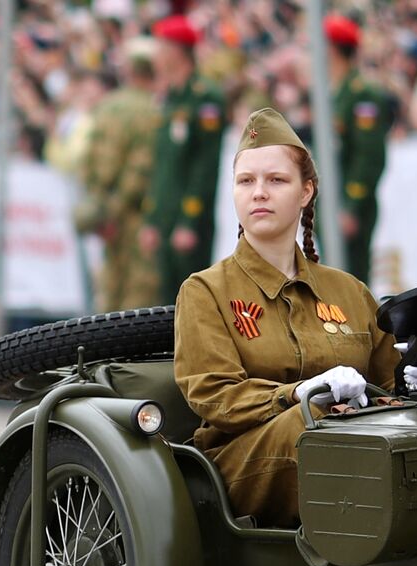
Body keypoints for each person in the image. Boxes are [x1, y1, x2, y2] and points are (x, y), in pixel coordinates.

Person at [173, 108, 398, 528]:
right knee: (313, 424)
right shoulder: (206, 290)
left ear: (306, 191)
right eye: (246, 181)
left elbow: (390, 387)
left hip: (350, 443)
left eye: (276, 180)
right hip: (239, 464)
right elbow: (213, 394)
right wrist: (298, 395)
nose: (259, 192)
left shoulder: (349, 291)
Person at [143, 15, 227, 305]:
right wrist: (152, 218)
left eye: (160, 46)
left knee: (194, 302)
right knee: (167, 305)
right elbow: (162, 166)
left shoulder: (205, 99)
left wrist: (190, 221)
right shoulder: (171, 98)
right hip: (165, 217)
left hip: (188, 219)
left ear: (177, 51)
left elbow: (204, 167)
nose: (155, 54)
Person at [74, 38, 161, 312]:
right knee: (139, 295)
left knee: (110, 289)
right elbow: (141, 169)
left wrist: (101, 208)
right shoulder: (154, 110)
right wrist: (117, 208)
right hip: (137, 215)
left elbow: (90, 161)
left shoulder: (108, 106)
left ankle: (104, 354)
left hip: (108, 213)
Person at [325, 14, 394, 287]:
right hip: (331, 202)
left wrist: (351, 206)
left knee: (351, 282)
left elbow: (370, 156)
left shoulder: (362, 94)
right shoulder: (335, 92)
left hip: (350, 204)